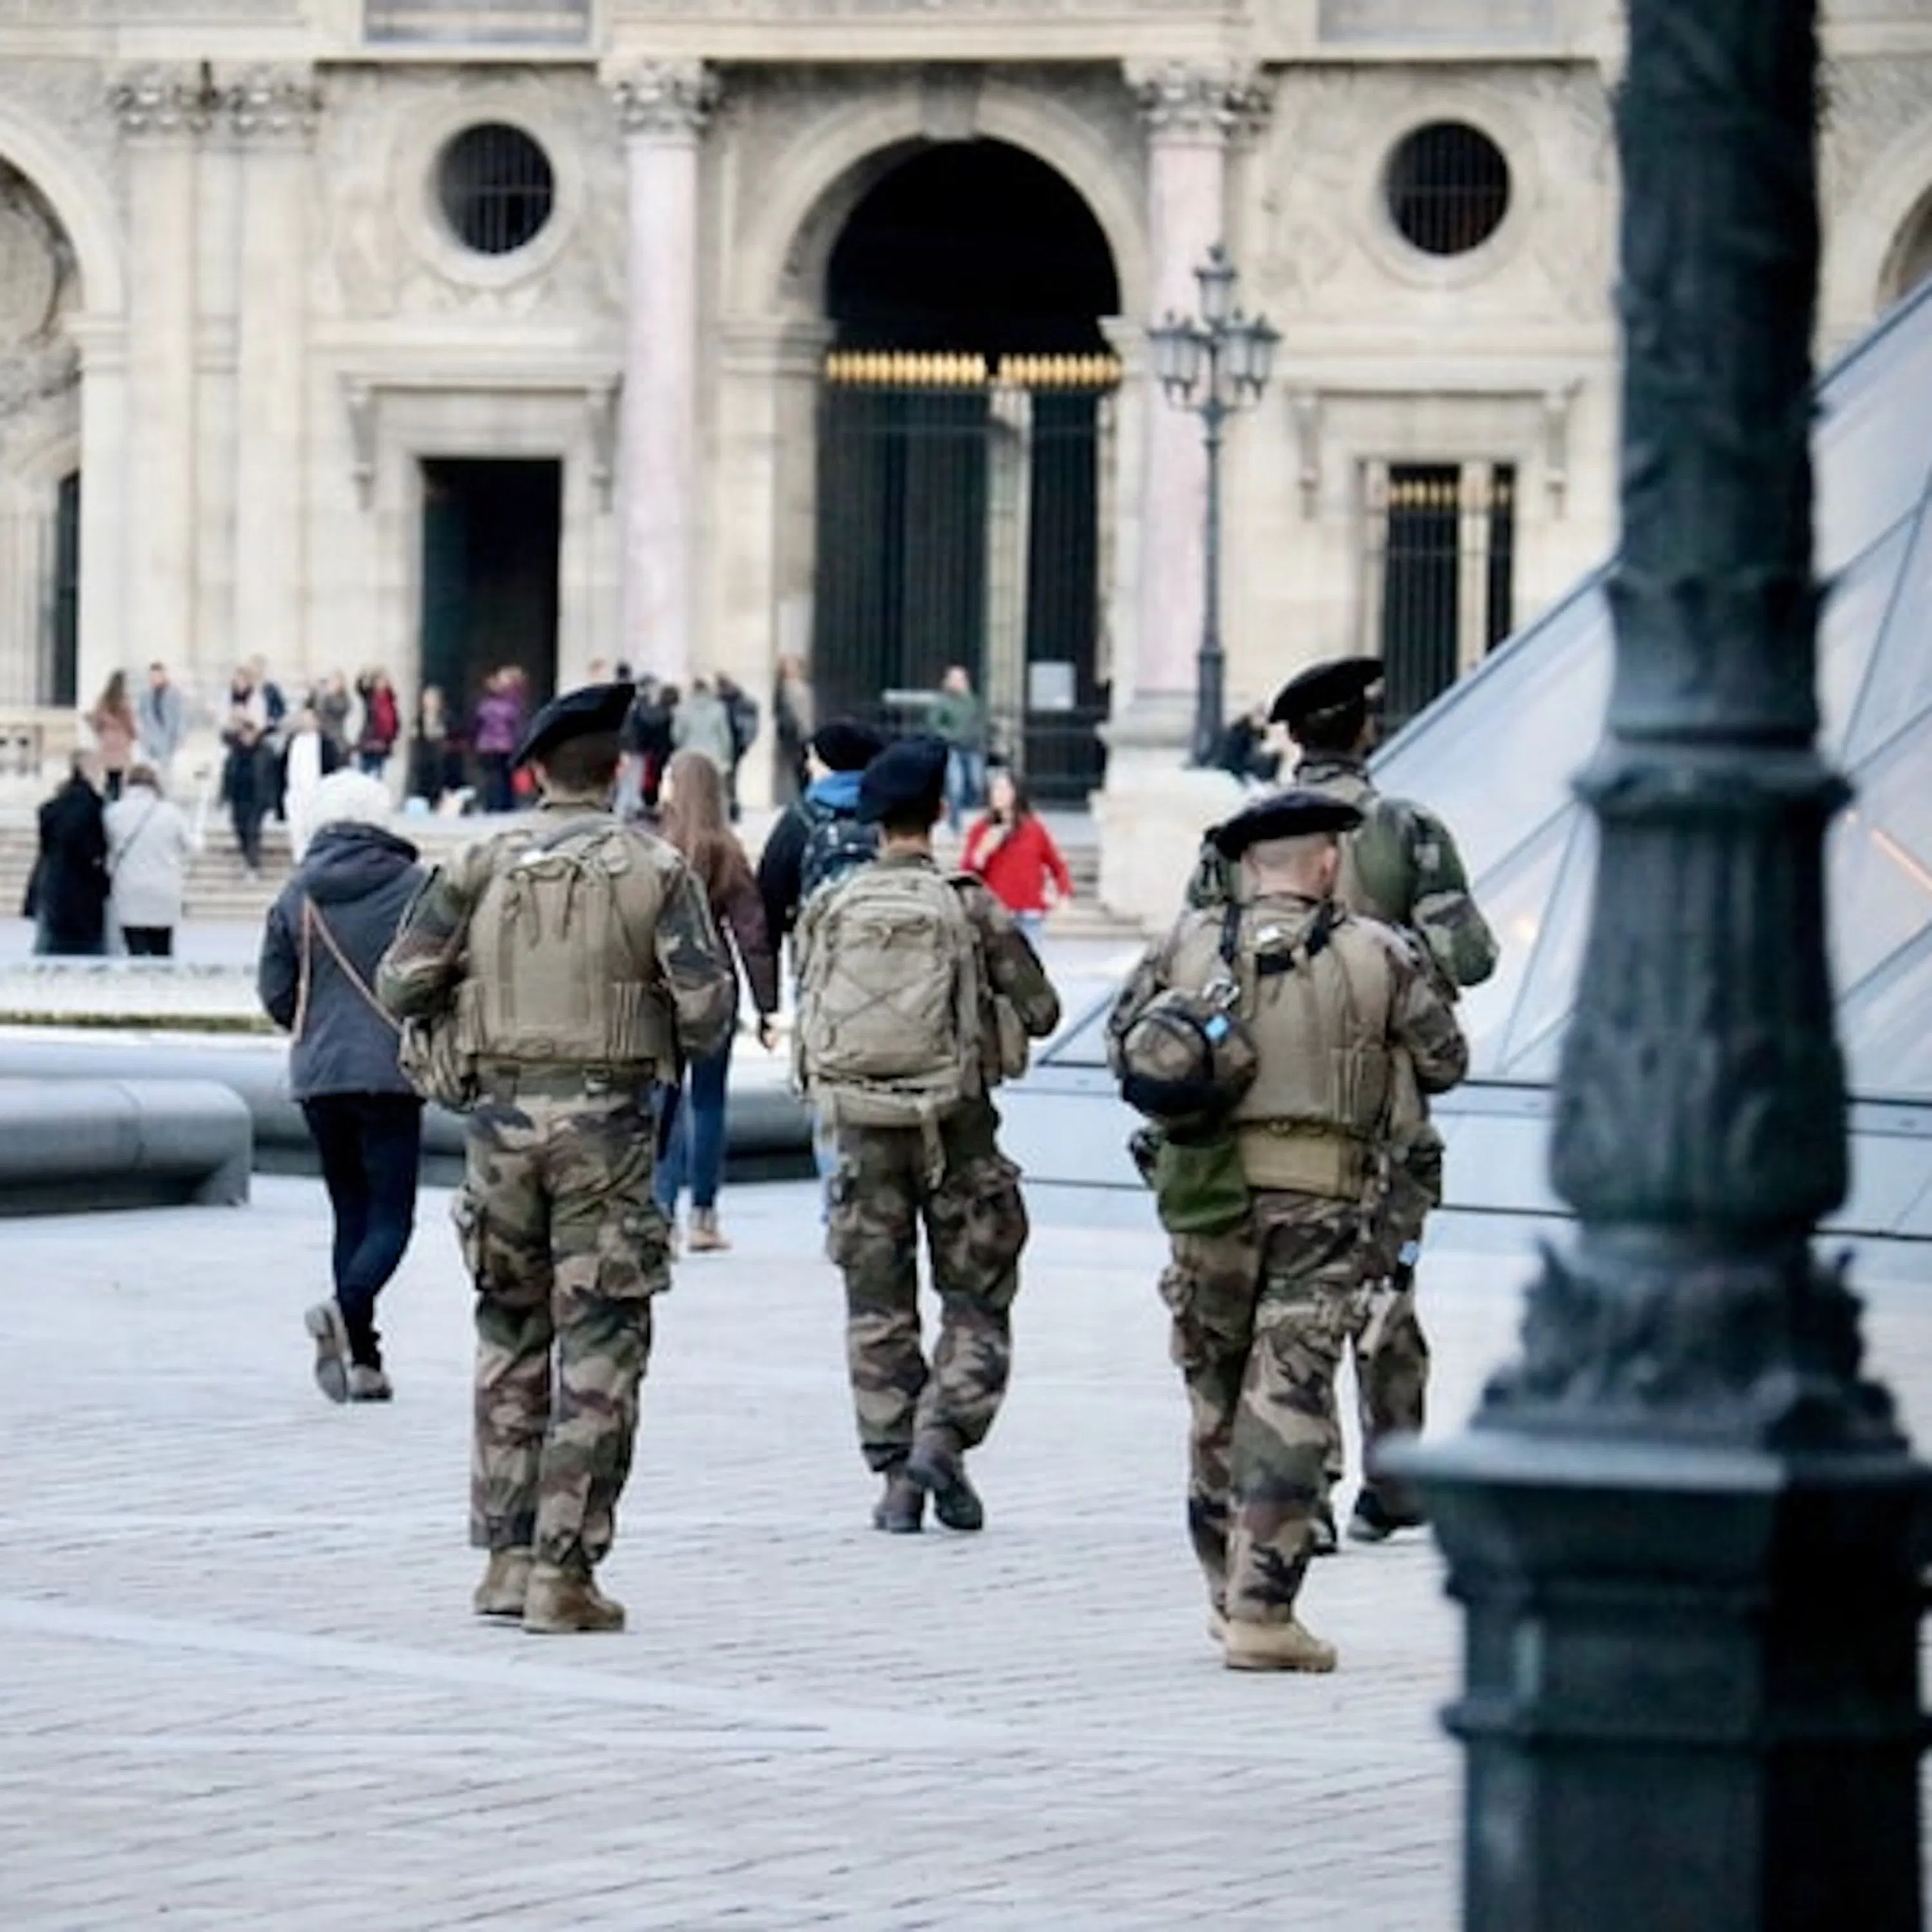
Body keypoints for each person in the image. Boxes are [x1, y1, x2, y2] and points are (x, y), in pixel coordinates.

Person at [376, 681, 735, 1634]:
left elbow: (401, 981)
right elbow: (707, 1014)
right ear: (616, 770)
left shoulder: (481, 862)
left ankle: (502, 1558)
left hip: (497, 1134)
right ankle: (563, 1572)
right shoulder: (655, 869)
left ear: (533, 770)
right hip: (608, 1138)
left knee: (508, 1337)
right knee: (602, 1348)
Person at [1106, 789, 1467, 1671]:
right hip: (1323, 1207)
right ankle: (1265, 1611)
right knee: (1290, 1395)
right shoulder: (1376, 952)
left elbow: (1125, 1047)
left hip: (1204, 1203)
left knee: (1215, 1396)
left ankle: (1226, 1594)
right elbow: (1447, 1062)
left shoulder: (1188, 944)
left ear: (1247, 866)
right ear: (1327, 862)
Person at [796, 735, 1061, 1536]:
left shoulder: (833, 905)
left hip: (859, 1131)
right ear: (939, 814)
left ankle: (895, 1476)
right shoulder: (969, 902)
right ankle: (942, 1439)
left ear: (874, 821)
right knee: (978, 1300)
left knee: (876, 1305)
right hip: (959, 1131)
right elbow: (1043, 1010)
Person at [1270, 656, 1499, 1548]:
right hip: (1389, 1114)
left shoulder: (1241, 835)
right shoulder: (1409, 830)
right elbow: (1472, 956)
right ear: (1365, 730)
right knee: (1386, 1292)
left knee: (1291, 1297)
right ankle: (1392, 1477)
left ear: (1293, 738)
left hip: (1275, 1107)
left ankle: (1308, 1488)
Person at [259, 770, 430, 1405]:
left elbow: (275, 990)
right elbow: (440, 975)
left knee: (349, 1212)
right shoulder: (416, 886)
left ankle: (365, 1362)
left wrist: (315, 1029)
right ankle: (345, 1306)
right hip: (391, 1069)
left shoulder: (296, 891)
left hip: (320, 1074)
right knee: (392, 1217)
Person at [652, 750, 781, 1253]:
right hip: (715, 985)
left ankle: (662, 1212)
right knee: (708, 1102)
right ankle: (704, 1215)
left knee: (663, 1101)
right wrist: (767, 1006)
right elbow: (753, 934)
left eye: (667, 777)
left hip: (663, 986)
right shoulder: (726, 848)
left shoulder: (653, 847)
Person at [755, 718, 886, 961]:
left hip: (821, 958)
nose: (808, 766)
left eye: (814, 758)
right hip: (885, 953)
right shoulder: (889, 813)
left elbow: (770, 891)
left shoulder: (802, 817)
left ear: (830, 764)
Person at [961, 766, 1072, 945]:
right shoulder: (981, 830)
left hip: (1030, 914)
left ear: (1016, 793)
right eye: (995, 789)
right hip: (996, 915)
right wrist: (982, 852)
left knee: (1030, 968)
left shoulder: (1034, 829)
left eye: (1004, 789)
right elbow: (966, 872)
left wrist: (1064, 893)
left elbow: (1057, 865)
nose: (999, 794)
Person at [104, 762, 194, 956]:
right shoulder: (171, 813)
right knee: (163, 949)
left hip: (128, 888)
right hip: (165, 889)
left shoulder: (113, 813)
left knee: (135, 948)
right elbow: (194, 846)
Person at [27, 753, 108, 956]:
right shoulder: (94, 808)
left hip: (54, 886)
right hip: (85, 890)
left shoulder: (50, 810)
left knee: (50, 949)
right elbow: (95, 850)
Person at [930, 665, 988, 831]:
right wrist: (950, 736)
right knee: (956, 786)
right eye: (955, 679)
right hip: (953, 747)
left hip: (972, 747)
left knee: (977, 784)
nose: (958, 682)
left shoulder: (973, 701)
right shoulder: (943, 702)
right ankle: (955, 822)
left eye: (961, 679)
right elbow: (935, 723)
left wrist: (979, 736)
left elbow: (980, 720)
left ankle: (966, 809)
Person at [281, 705, 341, 864]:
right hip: (296, 791)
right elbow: (284, 766)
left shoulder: (325, 743)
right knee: (297, 826)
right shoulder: (293, 741)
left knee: (315, 826)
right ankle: (299, 858)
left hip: (318, 790)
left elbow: (333, 766)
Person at [221, 710, 271, 874]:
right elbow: (227, 774)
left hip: (257, 797)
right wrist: (224, 795)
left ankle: (254, 863)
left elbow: (272, 775)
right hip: (238, 796)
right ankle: (246, 857)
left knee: (253, 829)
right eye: (244, 735)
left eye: (250, 734)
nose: (247, 738)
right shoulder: (235, 752)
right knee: (239, 827)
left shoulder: (265, 751)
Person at [472, 670, 525, 814]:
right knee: (503, 776)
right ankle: (504, 803)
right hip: (504, 745)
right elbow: (515, 720)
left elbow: (477, 724)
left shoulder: (484, 706)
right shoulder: (510, 704)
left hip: (487, 745)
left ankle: (491, 803)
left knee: (492, 777)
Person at [86, 671, 139, 802]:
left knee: (109, 774)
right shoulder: (124, 702)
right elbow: (129, 722)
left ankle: (108, 796)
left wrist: (100, 732)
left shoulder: (103, 701)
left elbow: (96, 720)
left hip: (107, 739)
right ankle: (116, 798)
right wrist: (134, 735)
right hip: (121, 740)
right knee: (120, 775)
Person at [408, 684, 464, 808]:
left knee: (440, 780)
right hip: (425, 753)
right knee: (424, 779)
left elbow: (454, 733)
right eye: (427, 699)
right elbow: (415, 735)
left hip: (441, 755)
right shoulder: (420, 718)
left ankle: (439, 802)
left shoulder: (446, 716)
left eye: (432, 699)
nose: (429, 703)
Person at [672, 677, 737, 779]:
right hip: (714, 755)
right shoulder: (719, 708)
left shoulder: (681, 709)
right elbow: (725, 736)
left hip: (691, 754)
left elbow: (677, 736)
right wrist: (727, 757)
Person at [773, 654, 815, 806]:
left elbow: (804, 716)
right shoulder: (786, 690)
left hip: (795, 736)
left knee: (800, 770)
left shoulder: (795, 690)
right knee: (797, 770)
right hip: (791, 736)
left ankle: (799, 798)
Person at [136, 663, 187, 785]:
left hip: (168, 739)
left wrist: (179, 739)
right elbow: (141, 714)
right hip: (149, 739)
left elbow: (180, 718)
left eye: (156, 676)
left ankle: (164, 798)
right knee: (147, 773)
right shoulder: (145, 694)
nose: (154, 679)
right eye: (151, 676)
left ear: (163, 676)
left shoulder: (174, 694)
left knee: (165, 775)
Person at [1211, 703, 1282, 786]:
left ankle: (1269, 780)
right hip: (1237, 766)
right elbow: (1232, 755)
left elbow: (1261, 744)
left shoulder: (1257, 732)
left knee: (1276, 756)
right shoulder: (1239, 732)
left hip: (1247, 764)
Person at [354, 670, 401, 779]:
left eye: (385, 681)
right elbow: (360, 688)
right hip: (369, 742)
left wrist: (393, 737)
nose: (382, 684)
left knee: (377, 775)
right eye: (380, 681)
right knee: (363, 775)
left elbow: (395, 721)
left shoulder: (390, 700)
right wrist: (365, 675)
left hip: (383, 744)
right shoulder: (370, 697)